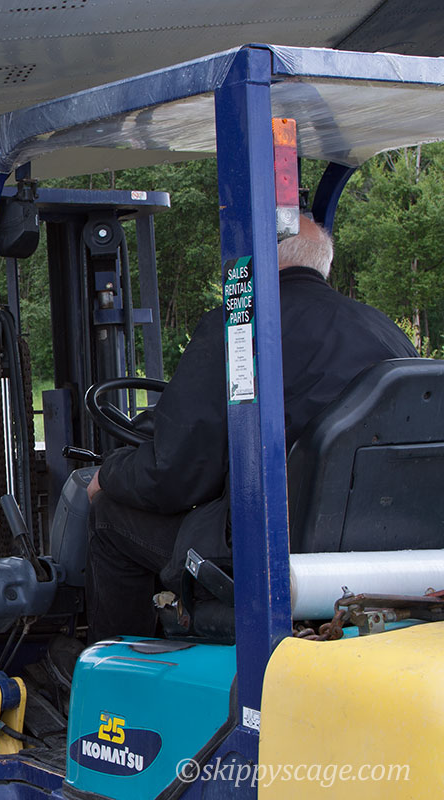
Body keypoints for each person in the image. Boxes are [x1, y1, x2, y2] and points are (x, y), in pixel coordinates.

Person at [83, 217, 417, 643]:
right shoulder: (386, 331)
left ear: (258, 258)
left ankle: (113, 668)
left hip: (264, 552)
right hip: (383, 550)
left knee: (108, 517)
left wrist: (109, 474)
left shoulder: (239, 329)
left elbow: (173, 476)